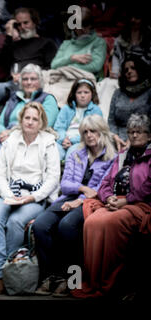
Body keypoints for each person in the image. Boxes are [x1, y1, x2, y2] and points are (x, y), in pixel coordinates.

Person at [33, 114, 116, 297]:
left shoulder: (112, 158)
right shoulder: (75, 154)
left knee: (67, 226)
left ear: (102, 132)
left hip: (93, 203)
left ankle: (72, 280)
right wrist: (82, 188)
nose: (89, 135)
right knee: (40, 225)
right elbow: (65, 184)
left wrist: (80, 199)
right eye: (85, 132)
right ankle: (50, 277)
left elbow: (101, 188)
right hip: (68, 198)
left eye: (93, 131)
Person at [72, 113, 151, 299]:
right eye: (131, 132)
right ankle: (93, 281)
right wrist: (108, 198)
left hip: (140, 204)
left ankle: (110, 281)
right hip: (115, 202)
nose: (134, 136)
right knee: (92, 222)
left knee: (109, 223)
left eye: (139, 132)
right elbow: (106, 182)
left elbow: (147, 187)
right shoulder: (123, 156)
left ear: (149, 135)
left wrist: (127, 200)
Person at [0, 101, 61, 294]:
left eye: (34, 119)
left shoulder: (49, 143)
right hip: (10, 192)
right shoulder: (11, 140)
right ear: (21, 119)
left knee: (15, 222)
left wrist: (32, 197)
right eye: (27, 118)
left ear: (41, 122)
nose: (30, 122)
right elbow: (0, 174)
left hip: (34, 197)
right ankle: (0, 275)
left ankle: (10, 269)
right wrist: (9, 195)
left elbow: (53, 178)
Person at [0, 63, 59, 184]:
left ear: (40, 81)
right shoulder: (14, 99)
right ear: (20, 82)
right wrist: (2, 133)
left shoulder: (47, 99)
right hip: (7, 139)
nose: (29, 82)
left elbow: (45, 123)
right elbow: (0, 123)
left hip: (31, 140)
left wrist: (12, 132)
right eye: (25, 79)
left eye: (33, 79)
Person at [0, 7, 58, 106]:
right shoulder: (14, 44)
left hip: (35, 84)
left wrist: (28, 76)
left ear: (35, 22)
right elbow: (2, 63)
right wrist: (8, 34)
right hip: (13, 83)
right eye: (18, 24)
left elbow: (51, 68)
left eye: (26, 23)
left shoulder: (46, 43)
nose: (22, 27)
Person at [108, 55, 151, 151]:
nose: (129, 71)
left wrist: (134, 139)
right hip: (117, 139)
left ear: (140, 69)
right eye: (126, 70)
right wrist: (115, 136)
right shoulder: (118, 93)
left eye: (133, 68)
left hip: (142, 138)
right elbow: (111, 121)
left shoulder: (149, 92)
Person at [53, 79, 103, 161]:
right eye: (79, 92)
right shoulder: (66, 108)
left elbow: (96, 131)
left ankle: (69, 173)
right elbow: (59, 127)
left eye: (86, 92)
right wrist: (63, 139)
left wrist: (72, 141)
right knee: (54, 152)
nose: (82, 95)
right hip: (63, 140)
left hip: (82, 141)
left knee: (72, 154)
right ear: (74, 94)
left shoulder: (96, 110)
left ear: (92, 94)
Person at [50, 6, 107, 79]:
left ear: (90, 25)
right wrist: (72, 58)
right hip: (63, 79)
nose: (82, 29)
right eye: (79, 26)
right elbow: (54, 65)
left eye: (85, 25)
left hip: (86, 81)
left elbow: (96, 66)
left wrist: (67, 68)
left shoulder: (99, 42)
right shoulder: (66, 44)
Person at [111, 7, 151, 79]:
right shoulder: (120, 39)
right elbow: (116, 56)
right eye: (131, 17)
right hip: (124, 74)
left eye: (137, 18)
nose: (133, 20)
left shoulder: (148, 38)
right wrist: (116, 71)